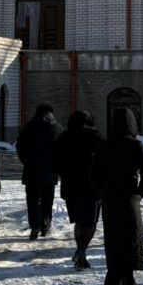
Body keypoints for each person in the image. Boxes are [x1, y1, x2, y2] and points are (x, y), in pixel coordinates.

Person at [92, 107, 143, 285]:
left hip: (110, 199)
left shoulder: (104, 146)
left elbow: (93, 173)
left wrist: (102, 190)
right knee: (129, 240)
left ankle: (127, 282)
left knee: (114, 240)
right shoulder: (136, 145)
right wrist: (139, 194)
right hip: (129, 198)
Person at [53, 110, 103, 269]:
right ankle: (81, 251)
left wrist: (63, 173)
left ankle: (81, 254)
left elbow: (54, 161)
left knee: (79, 222)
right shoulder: (96, 137)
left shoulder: (63, 138)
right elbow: (105, 159)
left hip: (70, 186)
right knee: (91, 221)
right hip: (91, 186)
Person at [16, 103, 61, 239]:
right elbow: (60, 149)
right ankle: (45, 225)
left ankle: (35, 225)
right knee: (47, 200)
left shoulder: (29, 127)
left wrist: (27, 161)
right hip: (50, 171)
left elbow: (20, 147)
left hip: (32, 170)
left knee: (33, 199)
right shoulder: (57, 128)